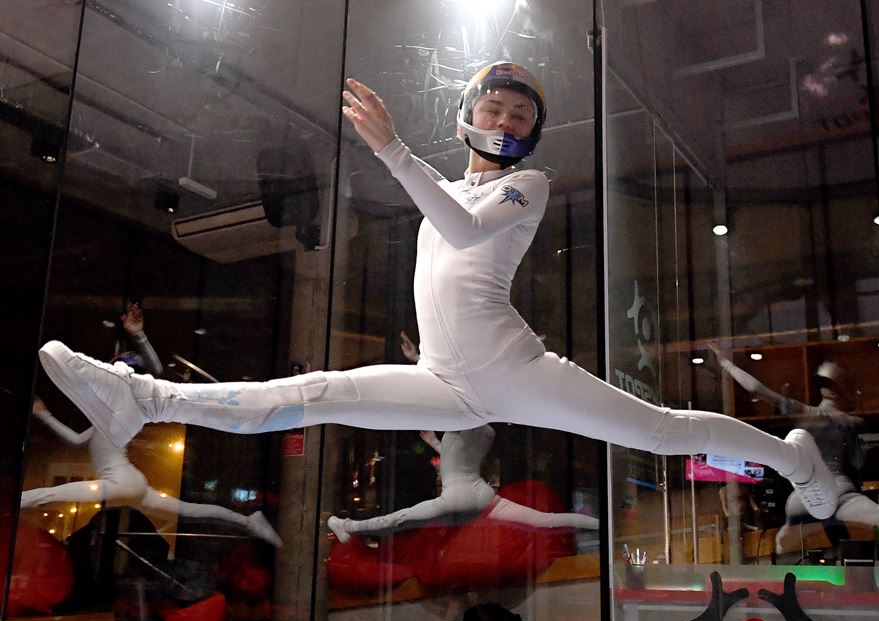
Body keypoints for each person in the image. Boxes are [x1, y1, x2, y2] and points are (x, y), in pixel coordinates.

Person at [36, 62, 838, 521]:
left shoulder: (530, 183)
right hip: (449, 382)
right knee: (312, 393)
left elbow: (461, 234)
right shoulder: (447, 191)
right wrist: (430, 348)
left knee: (659, 432)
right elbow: (446, 251)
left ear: (528, 132)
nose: (505, 114)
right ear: (467, 116)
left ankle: (789, 455)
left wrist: (390, 151)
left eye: (519, 109)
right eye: (492, 104)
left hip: (516, 368)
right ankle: (143, 398)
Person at [24, 306, 282, 548]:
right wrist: (44, 415)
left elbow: (156, 371)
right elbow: (78, 440)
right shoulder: (108, 418)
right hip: (130, 484)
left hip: (123, 482)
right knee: (191, 510)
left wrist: (140, 337)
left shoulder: (131, 403)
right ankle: (249, 521)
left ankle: (250, 522)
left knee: (46, 495)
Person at [708, 344, 879, 553]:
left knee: (784, 544)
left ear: (822, 388)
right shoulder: (852, 422)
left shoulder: (806, 414)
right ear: (844, 389)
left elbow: (757, 389)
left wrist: (725, 363)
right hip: (839, 492)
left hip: (801, 498)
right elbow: (858, 461)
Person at [327, 425, 598, 543]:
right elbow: (458, 460)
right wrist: (435, 443)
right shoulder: (481, 435)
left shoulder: (466, 426)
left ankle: (347, 526)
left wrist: (417, 359)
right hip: (481, 500)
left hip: (458, 501)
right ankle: (601, 525)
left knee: (399, 520)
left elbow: (453, 388)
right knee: (547, 521)